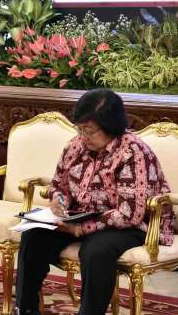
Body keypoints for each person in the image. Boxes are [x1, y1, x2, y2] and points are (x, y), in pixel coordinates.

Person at [15, 89, 176, 315]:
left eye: (89, 131)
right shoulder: (75, 146)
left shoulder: (134, 153)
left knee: (96, 250)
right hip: (80, 217)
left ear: (110, 127)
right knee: (33, 236)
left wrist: (83, 228)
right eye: (80, 129)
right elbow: (59, 184)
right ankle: (25, 309)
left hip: (132, 225)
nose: (83, 136)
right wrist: (58, 200)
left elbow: (130, 214)